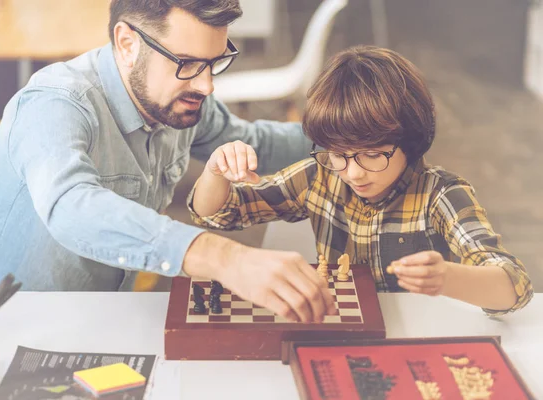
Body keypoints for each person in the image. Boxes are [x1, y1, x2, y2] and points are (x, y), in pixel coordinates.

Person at [0, 0, 336, 323]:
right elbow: (71, 205)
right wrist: (223, 256)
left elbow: (258, 143)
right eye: (186, 63)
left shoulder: (179, 100)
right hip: (2, 333)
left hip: (109, 318)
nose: (206, 86)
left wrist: (358, 134)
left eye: (214, 63)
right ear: (127, 44)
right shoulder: (54, 102)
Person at [189, 45, 533, 316]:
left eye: (372, 154)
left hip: (418, 334)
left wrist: (447, 277)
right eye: (338, 153)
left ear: (410, 140)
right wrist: (214, 170)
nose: (353, 172)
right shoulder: (319, 176)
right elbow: (219, 214)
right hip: (340, 327)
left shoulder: (441, 194)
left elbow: (514, 287)